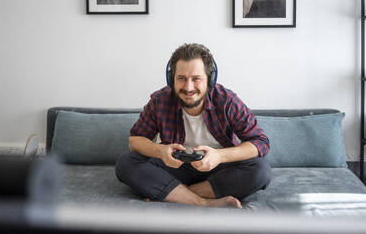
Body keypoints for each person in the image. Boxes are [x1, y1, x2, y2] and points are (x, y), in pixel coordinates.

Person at [115, 43, 271, 208]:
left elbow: (260, 141)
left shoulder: (227, 100)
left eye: (196, 79)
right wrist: (161, 151)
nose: (188, 88)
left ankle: (175, 194)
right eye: (181, 78)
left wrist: (220, 156)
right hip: (175, 167)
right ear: (171, 79)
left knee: (261, 170)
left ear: (210, 79)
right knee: (126, 162)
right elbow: (135, 140)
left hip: (220, 169)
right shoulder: (159, 101)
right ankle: (202, 201)